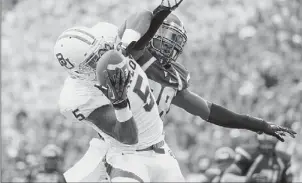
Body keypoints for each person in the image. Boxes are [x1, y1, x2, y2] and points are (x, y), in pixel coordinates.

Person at [63, 11, 296, 183]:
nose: (168, 44)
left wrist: (258, 124)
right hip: (115, 148)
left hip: (153, 150)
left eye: (174, 40)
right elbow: (140, 22)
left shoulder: (170, 81)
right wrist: (161, 10)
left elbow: (210, 111)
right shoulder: (130, 57)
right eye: (163, 34)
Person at [56, 0, 191, 182]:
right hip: (126, 154)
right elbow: (128, 138)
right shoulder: (77, 97)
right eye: (93, 60)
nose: (102, 57)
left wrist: (163, 9)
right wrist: (119, 102)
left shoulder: (108, 40)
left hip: (160, 148)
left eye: (100, 50)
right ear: (78, 72)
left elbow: (142, 16)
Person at [221, 134, 293, 183]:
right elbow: (226, 178)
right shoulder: (249, 154)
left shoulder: (283, 159)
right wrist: (248, 180)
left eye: (269, 143)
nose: (267, 147)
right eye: (264, 143)